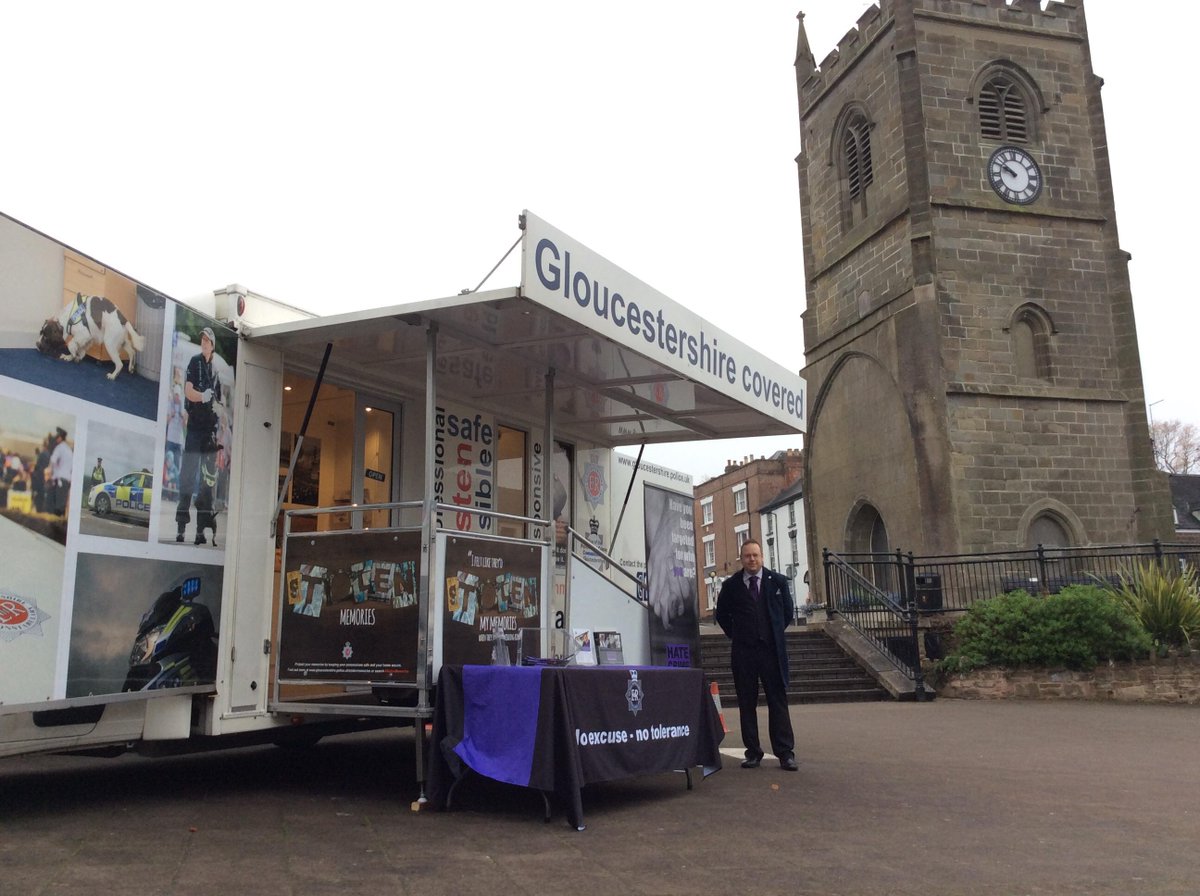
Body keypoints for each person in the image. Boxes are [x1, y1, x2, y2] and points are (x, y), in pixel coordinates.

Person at [714, 539, 798, 771]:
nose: (752, 559)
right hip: (744, 654)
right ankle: (753, 752)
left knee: (778, 702)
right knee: (746, 703)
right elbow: (722, 615)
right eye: (748, 556)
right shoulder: (731, 586)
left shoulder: (778, 582)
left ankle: (785, 753)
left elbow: (787, 613)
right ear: (742, 558)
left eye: (756, 555)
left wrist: (772, 633)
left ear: (762, 557)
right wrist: (737, 634)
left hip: (772, 653)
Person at [176, 326, 222, 544]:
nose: (204, 343)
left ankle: (200, 530)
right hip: (194, 427)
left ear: (212, 345)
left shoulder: (216, 371)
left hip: (209, 431)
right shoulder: (195, 362)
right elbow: (187, 390)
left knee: (207, 481)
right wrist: (202, 397)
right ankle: (181, 525)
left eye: (207, 340)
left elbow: (220, 403)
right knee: (188, 474)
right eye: (202, 340)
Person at [46, 427, 73, 517]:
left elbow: (52, 461)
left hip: (59, 480)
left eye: (57, 437)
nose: (56, 439)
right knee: (61, 507)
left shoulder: (59, 447)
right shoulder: (69, 450)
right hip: (67, 480)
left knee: (54, 508)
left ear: (60, 438)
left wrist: (49, 475)